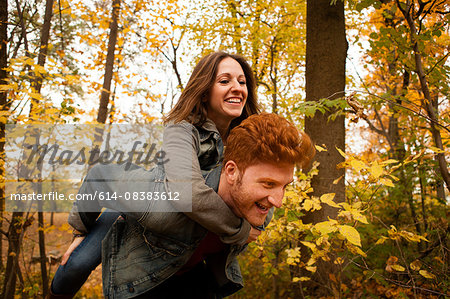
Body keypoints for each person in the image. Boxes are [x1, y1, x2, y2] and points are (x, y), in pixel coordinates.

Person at [49, 51, 260, 298]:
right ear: (204, 91)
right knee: (76, 264)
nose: (237, 88)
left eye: (242, 82)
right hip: (141, 209)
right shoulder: (182, 129)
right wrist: (80, 231)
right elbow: (187, 193)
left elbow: (261, 197)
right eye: (225, 81)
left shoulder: (248, 142)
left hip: (182, 240)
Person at [74, 113, 314, 298]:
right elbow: (99, 177)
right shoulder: (163, 208)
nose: (278, 201)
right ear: (231, 171)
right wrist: (79, 229)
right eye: (268, 184)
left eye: (285, 186)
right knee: (73, 268)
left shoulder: (261, 211)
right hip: (141, 279)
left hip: (192, 274)